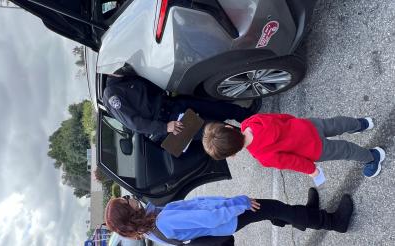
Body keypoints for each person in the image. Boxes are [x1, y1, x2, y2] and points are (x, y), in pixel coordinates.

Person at [104, 188, 353, 245]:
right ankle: (333, 222)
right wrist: (238, 204)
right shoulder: (163, 221)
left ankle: (303, 216)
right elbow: (208, 218)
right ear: (130, 211)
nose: (128, 197)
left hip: (225, 219)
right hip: (228, 218)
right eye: (125, 201)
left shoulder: (152, 221)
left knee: (275, 210)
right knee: (274, 207)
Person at [202, 114, 386, 178]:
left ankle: (373, 158)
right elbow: (281, 117)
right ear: (228, 127)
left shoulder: (263, 157)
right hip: (307, 125)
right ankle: (362, 124)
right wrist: (295, 122)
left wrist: (311, 170)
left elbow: (292, 162)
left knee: (344, 150)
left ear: (233, 154)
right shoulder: (250, 122)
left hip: (314, 149)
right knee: (336, 124)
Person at [103, 73, 262, 142]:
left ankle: (248, 117)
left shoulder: (128, 76)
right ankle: (255, 138)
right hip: (171, 122)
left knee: (216, 108)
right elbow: (134, 123)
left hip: (174, 103)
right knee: (217, 131)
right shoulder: (112, 94)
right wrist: (165, 128)